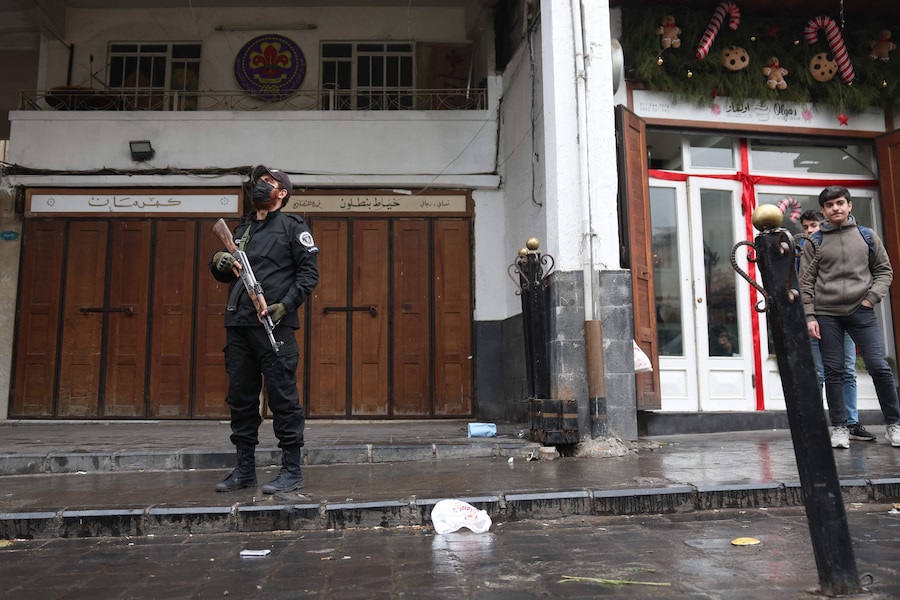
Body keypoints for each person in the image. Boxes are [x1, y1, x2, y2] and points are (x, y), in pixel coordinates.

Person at [210, 165, 320, 492]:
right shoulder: (243, 229)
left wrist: (284, 306)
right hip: (239, 324)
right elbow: (224, 268)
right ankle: (244, 470)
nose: (261, 186)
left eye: (269, 183)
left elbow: (308, 276)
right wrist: (220, 261)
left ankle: (291, 471)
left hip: (275, 327)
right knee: (241, 399)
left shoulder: (292, 228)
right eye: (260, 182)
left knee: (283, 399)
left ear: (282, 193)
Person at [799, 186, 900, 449]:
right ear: (823, 210)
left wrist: (870, 299)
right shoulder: (815, 241)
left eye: (840, 203)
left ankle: (894, 424)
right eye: (830, 205)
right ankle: (840, 427)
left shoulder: (867, 236)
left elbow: (884, 271)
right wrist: (810, 315)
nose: (836, 208)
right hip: (826, 314)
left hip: (861, 311)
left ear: (850, 205)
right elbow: (806, 281)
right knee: (834, 372)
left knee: (879, 367)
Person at [798, 210, 874, 442]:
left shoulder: (835, 243)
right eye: (806, 227)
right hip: (820, 318)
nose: (810, 231)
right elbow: (801, 286)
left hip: (847, 314)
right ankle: (817, 423)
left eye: (814, 225)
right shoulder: (800, 250)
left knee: (848, 371)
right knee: (822, 372)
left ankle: (851, 422)